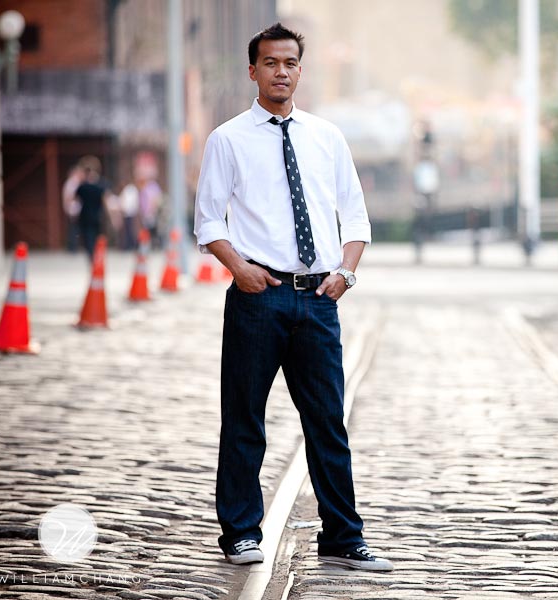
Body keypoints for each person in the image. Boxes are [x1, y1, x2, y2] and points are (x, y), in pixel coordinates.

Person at [193, 23, 392, 571]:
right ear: (253, 71)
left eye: (290, 63)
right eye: (270, 63)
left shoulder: (327, 136)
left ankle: (343, 536)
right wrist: (241, 270)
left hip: (318, 299)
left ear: (300, 70)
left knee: (328, 419)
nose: (281, 71)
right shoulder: (228, 139)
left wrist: (345, 274)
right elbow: (208, 220)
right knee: (244, 420)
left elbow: (354, 215)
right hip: (259, 297)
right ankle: (239, 533)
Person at [74, 156, 115, 259]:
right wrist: (111, 217)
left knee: (88, 239)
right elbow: (105, 201)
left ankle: (92, 256)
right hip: (97, 216)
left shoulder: (82, 186)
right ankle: (95, 256)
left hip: (85, 216)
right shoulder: (101, 186)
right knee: (96, 238)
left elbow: (75, 200)